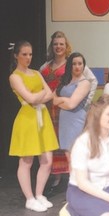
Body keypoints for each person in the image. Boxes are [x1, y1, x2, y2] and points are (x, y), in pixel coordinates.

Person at [39, 31, 98, 193]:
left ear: (66, 46)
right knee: (55, 143)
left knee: (73, 147)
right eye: (56, 44)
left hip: (69, 111)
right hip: (48, 110)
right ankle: (57, 178)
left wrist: (85, 102)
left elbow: (92, 81)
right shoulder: (45, 66)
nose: (58, 47)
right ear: (52, 46)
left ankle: (77, 183)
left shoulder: (73, 63)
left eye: (61, 44)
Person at [9, 40, 59, 212]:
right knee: (26, 162)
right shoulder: (14, 76)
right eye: (24, 54)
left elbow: (50, 94)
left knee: (47, 160)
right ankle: (29, 198)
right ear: (16, 55)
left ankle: (39, 194)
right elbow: (30, 99)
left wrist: (36, 96)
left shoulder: (37, 73)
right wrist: (39, 95)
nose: (28, 57)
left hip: (42, 118)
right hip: (28, 120)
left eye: (30, 54)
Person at [64, 94, 109, 216]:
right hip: (84, 191)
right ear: (97, 116)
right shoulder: (83, 142)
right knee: (107, 215)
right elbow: (82, 182)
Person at [53, 52, 91, 166]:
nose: (77, 66)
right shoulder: (65, 81)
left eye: (80, 63)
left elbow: (71, 105)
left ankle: (81, 183)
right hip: (65, 121)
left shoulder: (85, 83)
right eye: (74, 64)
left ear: (84, 65)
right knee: (69, 156)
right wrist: (64, 101)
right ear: (70, 65)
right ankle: (75, 182)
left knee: (77, 156)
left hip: (76, 121)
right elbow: (53, 99)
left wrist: (61, 99)